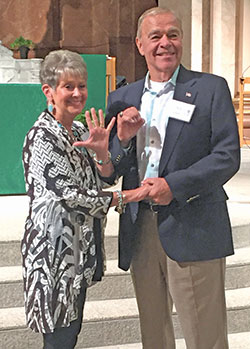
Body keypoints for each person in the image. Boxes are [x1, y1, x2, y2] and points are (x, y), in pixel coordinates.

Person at [104, 7, 240, 349]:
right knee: (154, 334)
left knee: (205, 336)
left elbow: (227, 157)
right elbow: (111, 169)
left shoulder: (210, 89)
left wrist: (173, 186)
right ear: (139, 44)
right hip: (141, 230)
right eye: (155, 37)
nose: (165, 43)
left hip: (193, 223)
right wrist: (118, 142)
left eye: (173, 35)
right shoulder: (123, 98)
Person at [21, 49, 150, 349]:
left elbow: (103, 178)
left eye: (82, 86)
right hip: (52, 256)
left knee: (71, 333)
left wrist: (105, 154)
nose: (78, 94)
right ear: (48, 91)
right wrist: (131, 196)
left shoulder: (80, 129)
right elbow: (73, 197)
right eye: (69, 86)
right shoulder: (41, 137)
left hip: (79, 252)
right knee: (58, 339)